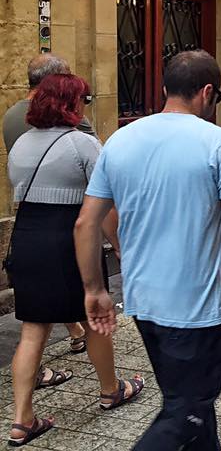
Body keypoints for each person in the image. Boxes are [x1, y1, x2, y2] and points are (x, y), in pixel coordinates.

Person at [75, 50, 221, 450]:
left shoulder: (120, 139)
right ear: (206, 92)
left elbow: (87, 222)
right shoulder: (217, 142)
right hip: (196, 311)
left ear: (166, 88)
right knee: (186, 411)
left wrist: (95, 289)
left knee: (190, 405)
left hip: (145, 302)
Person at [6, 74, 145, 447]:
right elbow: (106, 204)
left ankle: (22, 419)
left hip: (27, 237)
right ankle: (110, 389)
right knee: (95, 316)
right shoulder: (82, 144)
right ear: (71, 103)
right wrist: (119, 245)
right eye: (83, 97)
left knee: (34, 328)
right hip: (70, 238)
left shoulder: (20, 145)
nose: (86, 102)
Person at [3, 54, 94, 355]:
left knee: (34, 321)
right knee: (90, 304)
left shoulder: (13, 119)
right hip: (68, 222)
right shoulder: (74, 130)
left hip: (29, 223)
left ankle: (25, 398)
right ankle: (110, 386)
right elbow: (97, 174)